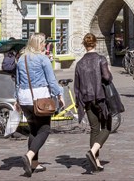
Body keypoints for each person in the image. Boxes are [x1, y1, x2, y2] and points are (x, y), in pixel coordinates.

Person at [14, 33, 65, 177]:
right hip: (40, 98)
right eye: (43, 43)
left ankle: (34, 163)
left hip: (24, 99)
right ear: (38, 44)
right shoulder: (43, 59)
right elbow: (51, 80)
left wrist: (16, 100)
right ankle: (29, 156)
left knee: (33, 131)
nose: (45, 45)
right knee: (45, 129)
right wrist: (60, 94)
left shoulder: (21, 59)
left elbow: (17, 82)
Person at [74, 33, 112, 172]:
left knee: (94, 129)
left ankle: (95, 161)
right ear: (95, 43)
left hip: (87, 100)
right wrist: (109, 73)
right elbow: (107, 77)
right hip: (100, 98)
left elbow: (77, 87)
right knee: (107, 127)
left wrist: (79, 103)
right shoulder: (101, 59)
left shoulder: (79, 64)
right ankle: (93, 151)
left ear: (84, 45)